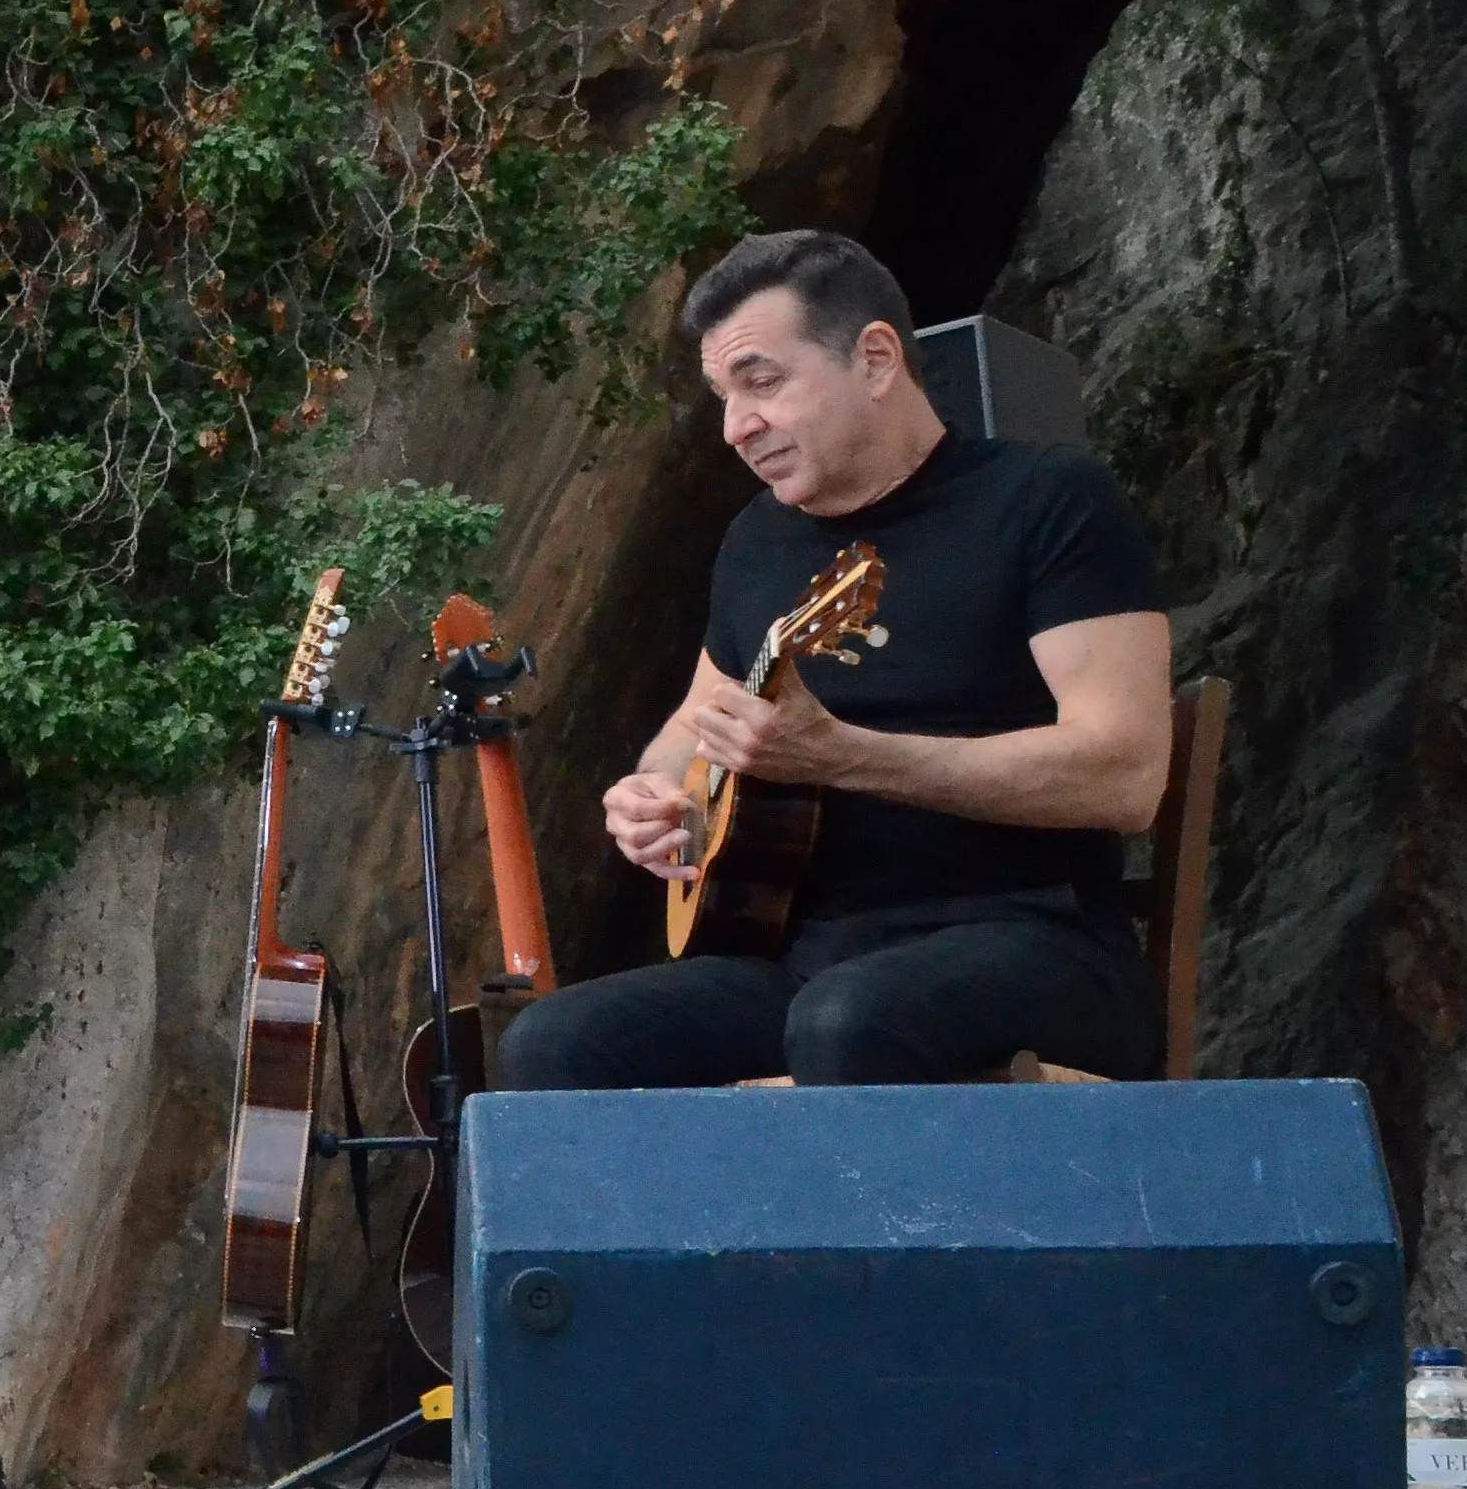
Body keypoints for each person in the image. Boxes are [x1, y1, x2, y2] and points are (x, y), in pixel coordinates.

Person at [497, 230, 1174, 1094]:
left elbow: (1123, 774)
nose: (736, 427)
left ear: (877, 358)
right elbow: (693, 724)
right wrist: (651, 794)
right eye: (721, 397)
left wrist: (851, 755)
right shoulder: (758, 540)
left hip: (1041, 937)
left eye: (762, 382)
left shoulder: (1047, 501)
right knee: (554, 1044)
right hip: (807, 958)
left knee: (851, 1021)